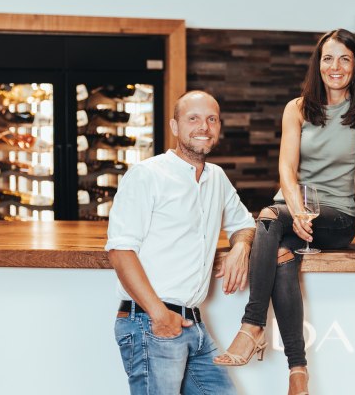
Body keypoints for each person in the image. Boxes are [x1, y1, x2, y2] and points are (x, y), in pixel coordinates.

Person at [213, 29, 355, 394]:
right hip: (290, 212)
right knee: (280, 249)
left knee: (268, 220)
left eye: (344, 59)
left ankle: (252, 326)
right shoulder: (298, 108)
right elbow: (286, 169)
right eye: (328, 58)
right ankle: (298, 373)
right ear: (318, 64)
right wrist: (297, 210)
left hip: (335, 216)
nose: (335, 67)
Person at [105, 90, 256, 395]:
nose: (204, 126)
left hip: (193, 325)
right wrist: (159, 315)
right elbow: (120, 252)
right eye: (193, 119)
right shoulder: (147, 175)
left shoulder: (217, 177)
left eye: (211, 119)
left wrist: (240, 247)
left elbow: (244, 224)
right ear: (174, 127)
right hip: (150, 322)